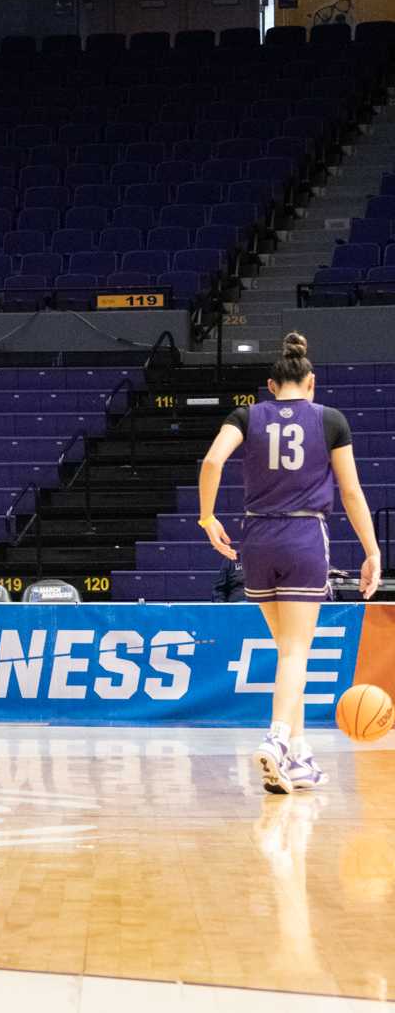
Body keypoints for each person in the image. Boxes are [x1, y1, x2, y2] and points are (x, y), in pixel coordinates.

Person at [197, 331, 381, 793]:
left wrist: (206, 517)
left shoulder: (246, 415)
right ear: (312, 383)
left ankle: (297, 756)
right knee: (298, 651)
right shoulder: (330, 420)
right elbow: (352, 492)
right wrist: (373, 550)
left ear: (271, 385)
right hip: (302, 535)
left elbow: (212, 462)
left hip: (255, 537)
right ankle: (278, 738)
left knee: (286, 651)